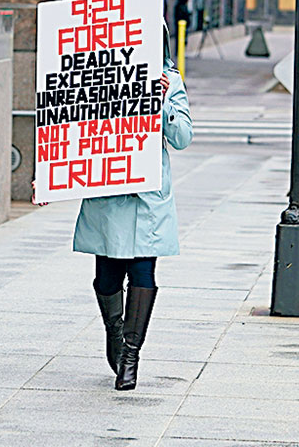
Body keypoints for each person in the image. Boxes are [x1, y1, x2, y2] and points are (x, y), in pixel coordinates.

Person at [72, 23, 193, 391]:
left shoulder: (168, 79)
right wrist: (48, 176)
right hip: (107, 192)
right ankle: (116, 330)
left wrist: (161, 106)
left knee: (142, 274)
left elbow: (183, 137)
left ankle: (130, 355)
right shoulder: (95, 73)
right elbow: (71, 127)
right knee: (107, 278)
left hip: (146, 198)